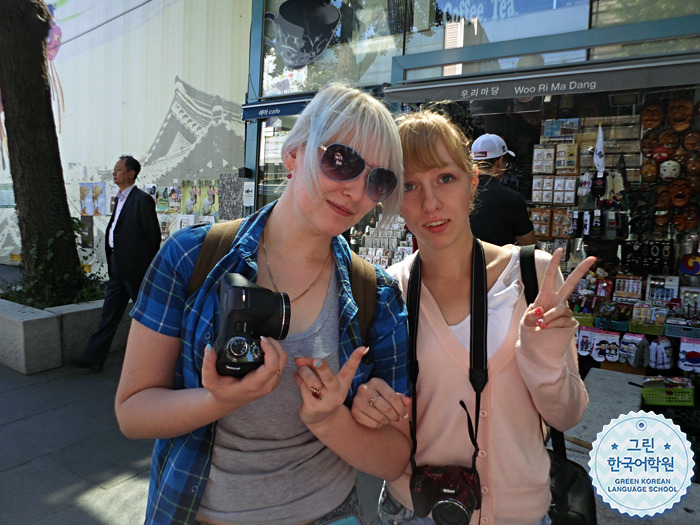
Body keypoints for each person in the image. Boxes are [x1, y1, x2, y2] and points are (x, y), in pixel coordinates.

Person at [114, 83, 411, 525]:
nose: (355, 190)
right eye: (341, 160)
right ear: (294, 154)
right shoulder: (191, 258)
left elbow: (393, 460)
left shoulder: (377, 294)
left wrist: (332, 419)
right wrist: (218, 400)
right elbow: (133, 412)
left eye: (378, 180)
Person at [350, 111, 596, 525]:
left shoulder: (533, 278)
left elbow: (567, 416)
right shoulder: (387, 291)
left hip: (522, 513)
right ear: (392, 199)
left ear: (472, 182)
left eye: (445, 178)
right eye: (409, 185)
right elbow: (384, 412)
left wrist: (544, 356)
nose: (430, 202)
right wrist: (368, 405)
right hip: (415, 510)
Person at [72, 155, 161, 372]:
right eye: (114, 169)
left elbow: (153, 238)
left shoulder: (142, 200)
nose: (114, 173)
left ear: (131, 173)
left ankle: (158, 362)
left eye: (119, 169)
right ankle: (92, 358)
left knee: (147, 317)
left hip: (135, 271)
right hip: (117, 269)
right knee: (109, 314)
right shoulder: (119, 199)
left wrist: (142, 266)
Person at [469, 133, 537, 246]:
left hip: (461, 262)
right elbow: (529, 246)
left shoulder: (458, 192)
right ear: (500, 161)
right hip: (501, 262)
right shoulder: (512, 198)